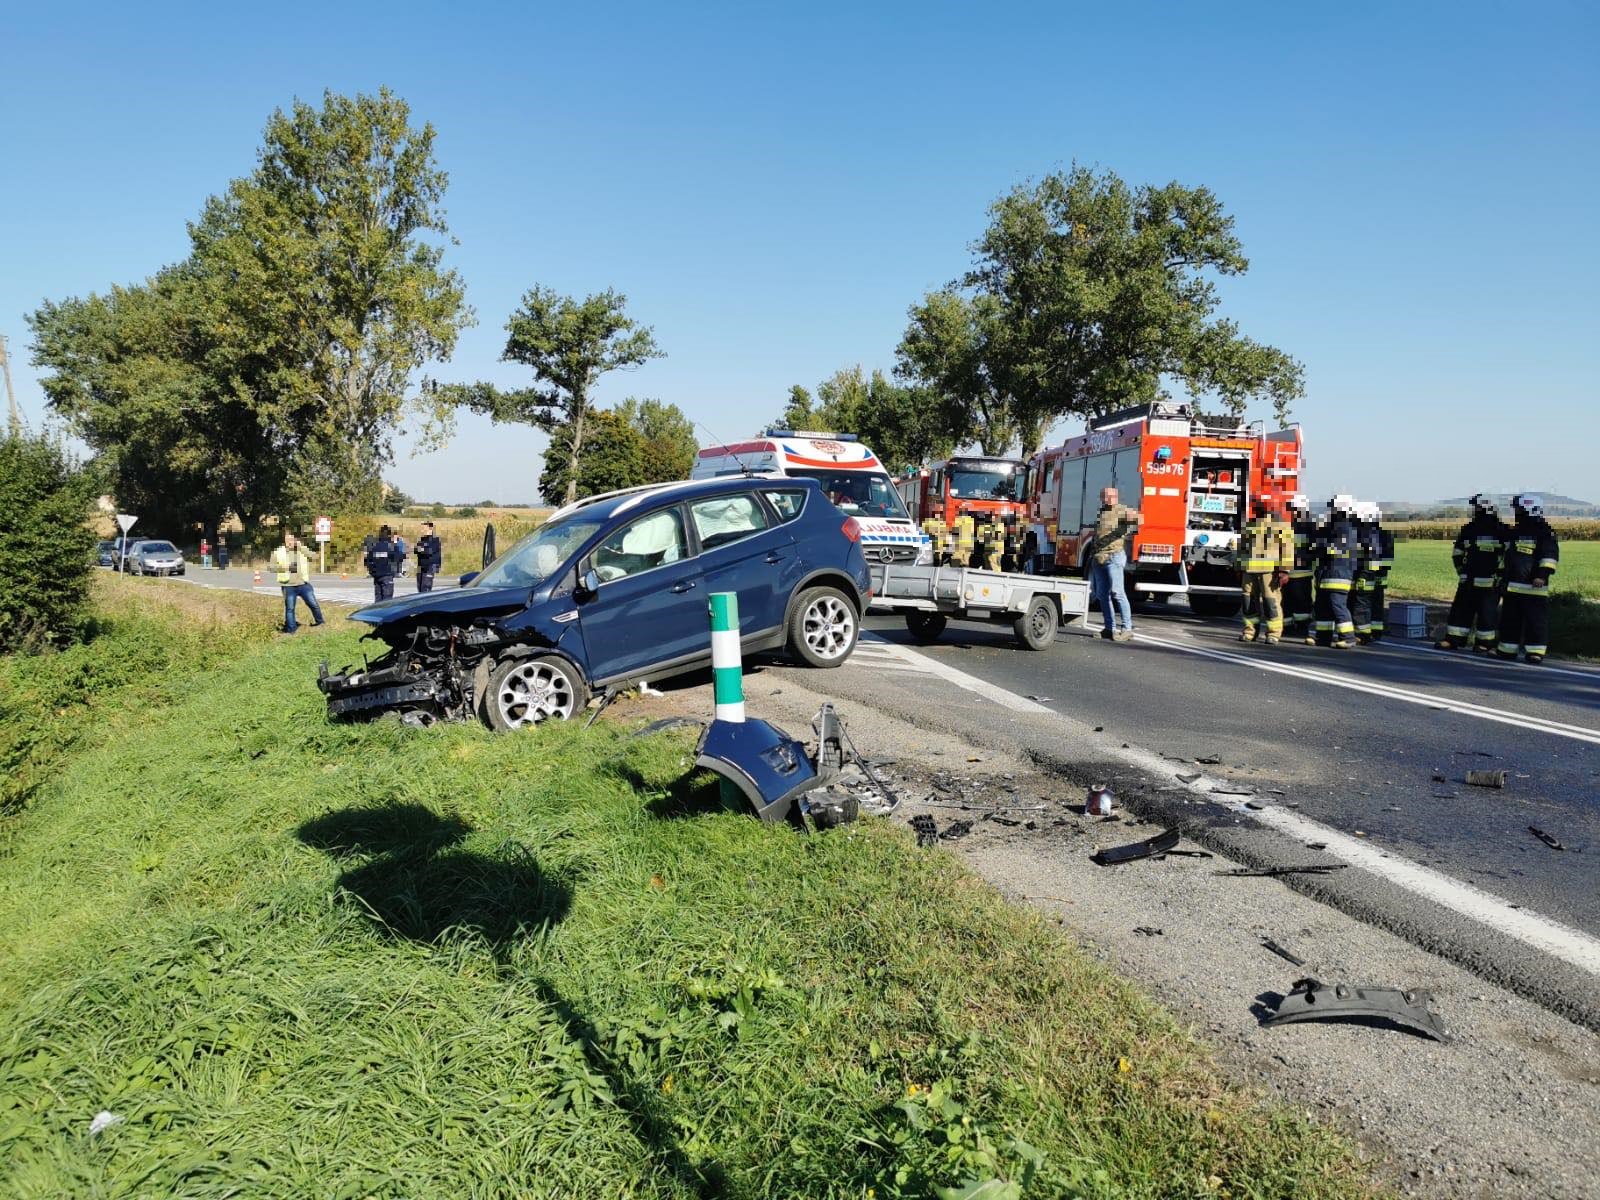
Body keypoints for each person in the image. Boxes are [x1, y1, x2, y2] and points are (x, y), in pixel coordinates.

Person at [1437, 494, 1506, 653]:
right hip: (1468, 580)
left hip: (1490, 582)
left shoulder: (1501, 530)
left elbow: (1507, 556)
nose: (1474, 510)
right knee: (1460, 611)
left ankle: (1484, 644)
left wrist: (1500, 575)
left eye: (1477, 507)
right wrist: (1462, 571)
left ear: (1485, 508)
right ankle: (1453, 639)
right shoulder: (1469, 529)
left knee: (1487, 614)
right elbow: (1458, 552)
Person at [1496, 494, 1559, 664]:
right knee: (1509, 620)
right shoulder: (1515, 531)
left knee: (1535, 621)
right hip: (1512, 586)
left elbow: (1549, 556)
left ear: (1528, 509)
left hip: (1533, 587)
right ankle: (1507, 650)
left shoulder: (1544, 532)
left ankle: (1535, 652)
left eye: (1518, 509)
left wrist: (1542, 575)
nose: (1515, 512)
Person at [1086, 486, 1142, 642]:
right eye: (1105, 496)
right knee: (1102, 594)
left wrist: (1134, 516)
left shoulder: (1122, 510)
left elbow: (1139, 519)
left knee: (1117, 592)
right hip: (1099, 558)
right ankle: (1109, 628)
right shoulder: (1102, 512)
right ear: (1101, 498)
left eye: (1111, 496)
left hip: (1114, 556)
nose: (1108, 499)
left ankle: (1127, 628)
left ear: (1117, 497)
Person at [1235, 494, 1293, 644]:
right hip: (1249, 571)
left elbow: (1287, 548)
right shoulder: (1250, 524)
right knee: (1248, 602)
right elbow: (1242, 548)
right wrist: (1239, 567)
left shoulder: (1280, 524)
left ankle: (1273, 633)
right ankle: (1250, 631)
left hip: (1269, 571)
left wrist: (1284, 570)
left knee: (1270, 602)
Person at [1312, 494, 1358, 648]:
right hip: (1327, 575)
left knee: (1337, 606)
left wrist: (1319, 545)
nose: (1329, 509)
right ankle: (1323, 637)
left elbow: (1334, 549)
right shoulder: (1332, 526)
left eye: (1332, 507)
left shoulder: (1345, 527)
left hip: (1338, 575)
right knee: (1322, 607)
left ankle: (1348, 637)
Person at [271, 532, 324, 634]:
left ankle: (320, 623)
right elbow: (271, 567)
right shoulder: (278, 552)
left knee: (314, 604)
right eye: (287, 540)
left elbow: (314, 557)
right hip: (288, 585)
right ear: (284, 541)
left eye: (291, 540)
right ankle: (291, 629)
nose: (290, 542)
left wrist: (302, 547)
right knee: (290, 608)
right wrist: (285, 567)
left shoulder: (301, 550)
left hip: (303, 583)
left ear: (295, 540)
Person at [1283, 493, 1317, 641]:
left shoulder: (1310, 526)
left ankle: (1302, 628)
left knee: (1301, 602)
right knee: (1287, 601)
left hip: (1302, 572)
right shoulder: (1289, 525)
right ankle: (1288, 627)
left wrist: (1304, 559)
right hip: (1288, 571)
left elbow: (1316, 549)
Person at [1349, 502, 1384, 643]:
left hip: (1364, 576)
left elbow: (1372, 557)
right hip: (1367, 575)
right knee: (1366, 604)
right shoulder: (1372, 532)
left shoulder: (1366, 533)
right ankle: (1368, 633)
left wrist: (1364, 575)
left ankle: (1362, 634)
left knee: (1360, 605)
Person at [364, 524, 402, 602]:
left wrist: (372, 572)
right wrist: (395, 544)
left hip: (377, 576)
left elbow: (367, 560)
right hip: (387, 575)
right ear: (389, 535)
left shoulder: (374, 546)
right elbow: (399, 557)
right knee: (387, 601)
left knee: (378, 599)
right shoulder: (390, 546)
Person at [415, 521, 443, 592]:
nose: (422, 530)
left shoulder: (435, 540)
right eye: (422, 528)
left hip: (430, 567)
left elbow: (429, 551)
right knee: (420, 588)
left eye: (424, 528)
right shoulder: (422, 539)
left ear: (430, 528)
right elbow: (416, 550)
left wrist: (421, 550)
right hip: (421, 566)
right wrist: (421, 549)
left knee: (426, 588)